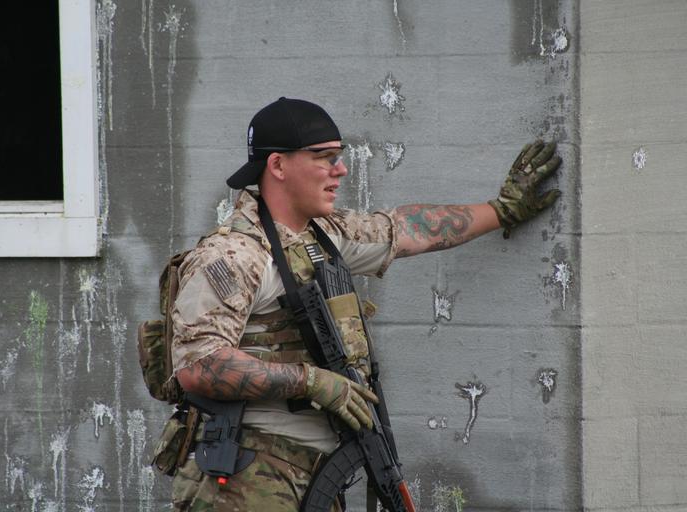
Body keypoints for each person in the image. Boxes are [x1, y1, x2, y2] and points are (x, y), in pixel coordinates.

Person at [168, 97, 561, 511]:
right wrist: (312, 382)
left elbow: (409, 229)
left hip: (308, 474)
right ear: (278, 165)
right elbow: (198, 366)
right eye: (324, 158)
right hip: (246, 480)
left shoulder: (320, 236)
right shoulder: (233, 255)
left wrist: (501, 210)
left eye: (338, 157)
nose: (340, 170)